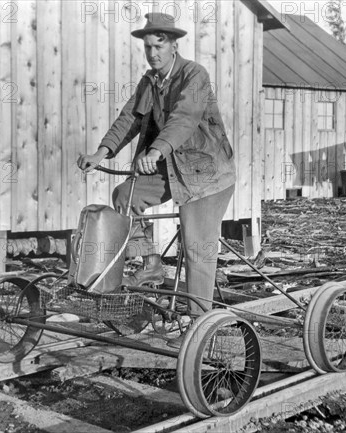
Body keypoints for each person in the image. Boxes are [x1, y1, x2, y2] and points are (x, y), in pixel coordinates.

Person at [77, 12, 236, 346]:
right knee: (125, 196)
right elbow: (128, 120)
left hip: (206, 174)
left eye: (159, 46)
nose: (153, 53)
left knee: (196, 247)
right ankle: (151, 264)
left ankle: (199, 328)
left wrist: (156, 151)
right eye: (147, 47)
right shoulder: (150, 82)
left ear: (173, 45)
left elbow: (185, 118)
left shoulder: (195, 75)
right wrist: (102, 152)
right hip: (169, 168)